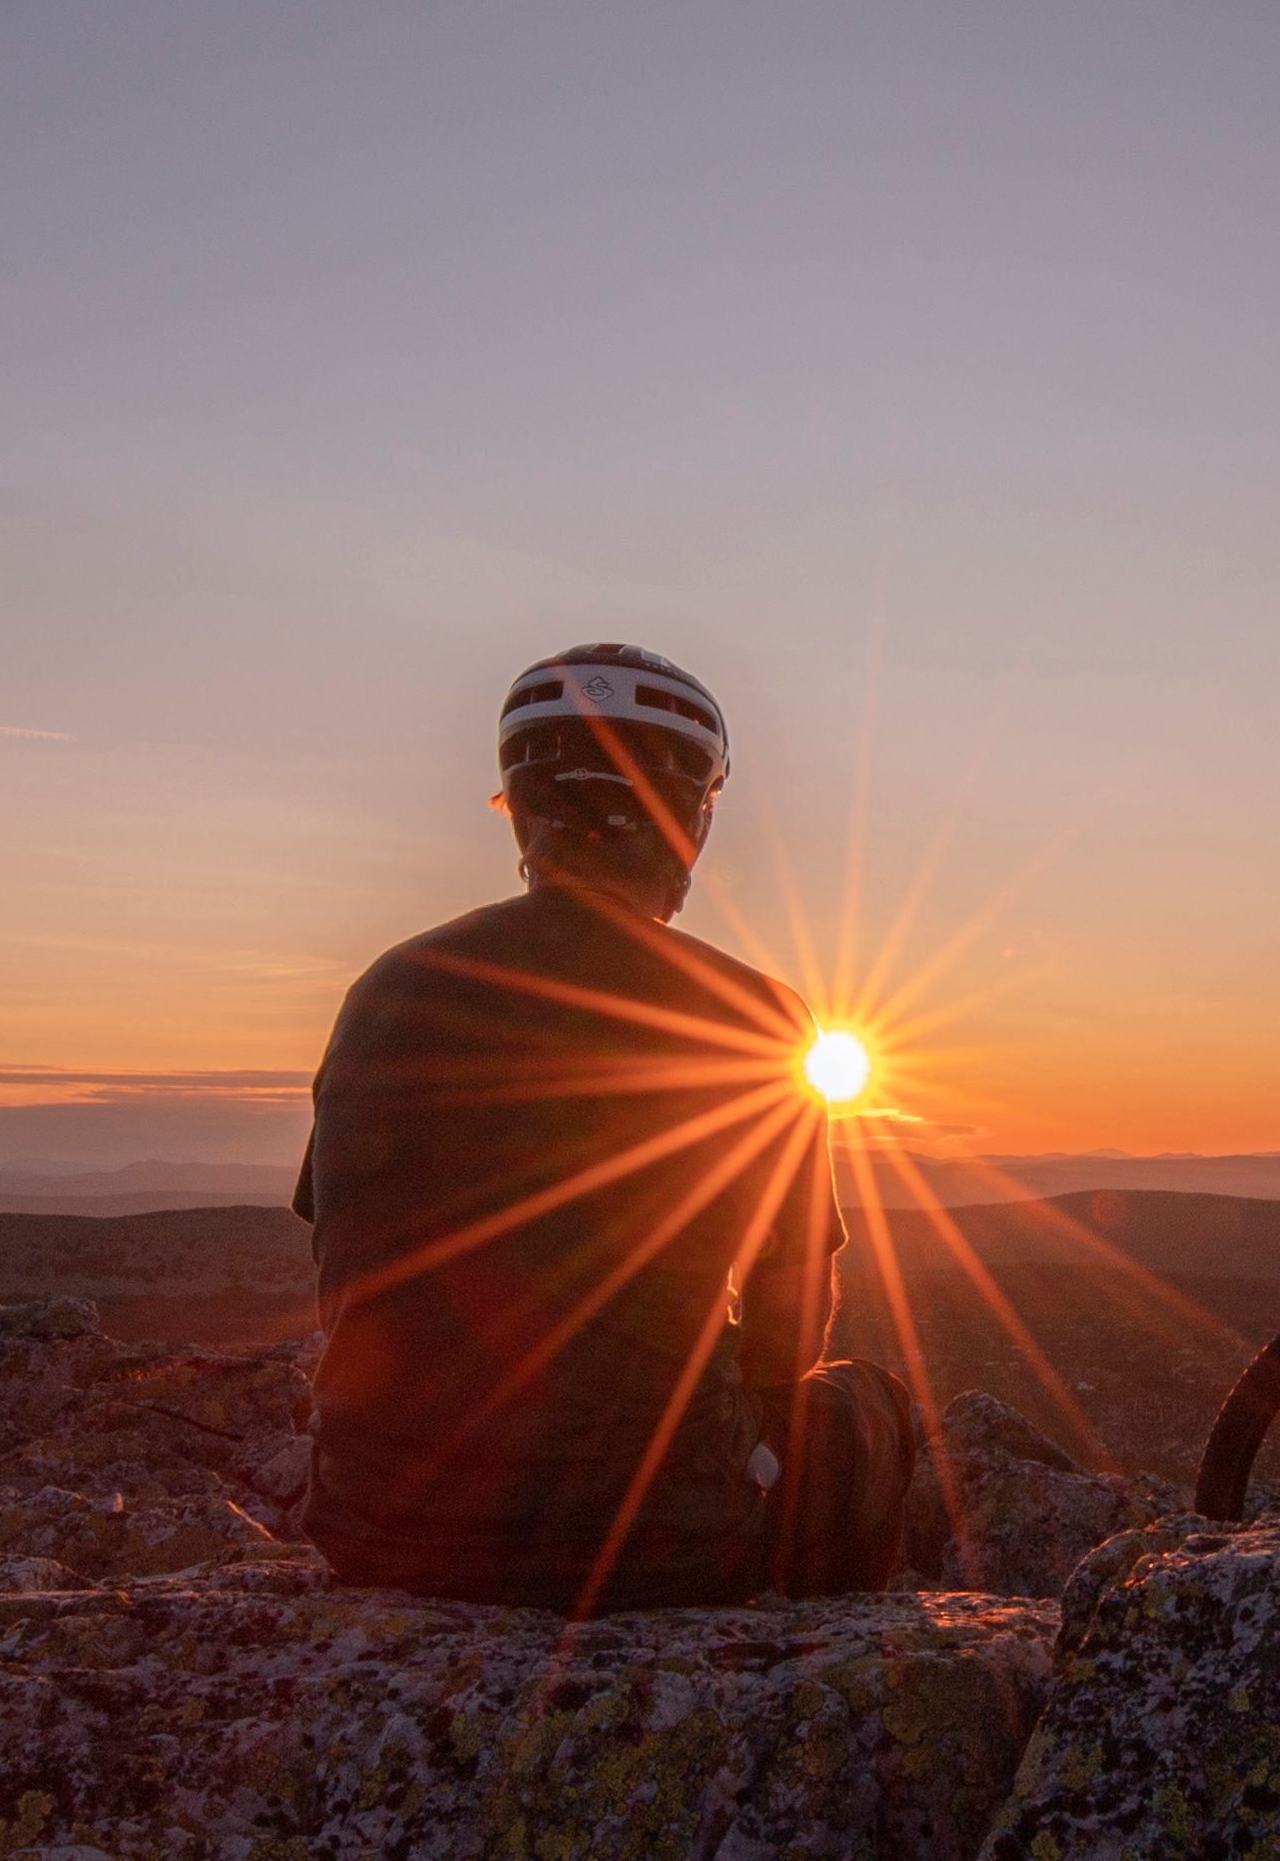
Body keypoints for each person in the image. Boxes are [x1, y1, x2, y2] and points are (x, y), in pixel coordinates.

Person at [291, 642, 944, 1612]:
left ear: (518, 809)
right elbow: (787, 1334)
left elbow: (345, 1249)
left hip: (380, 1531)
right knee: (872, 1408)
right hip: (658, 1544)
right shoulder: (751, 1016)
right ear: (689, 822)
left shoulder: (385, 991)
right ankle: (843, 1687)